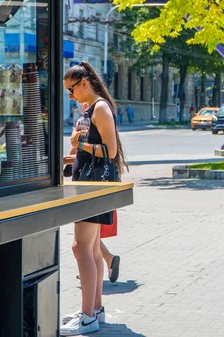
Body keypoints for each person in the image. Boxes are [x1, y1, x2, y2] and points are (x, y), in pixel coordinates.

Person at [60, 61, 128, 336]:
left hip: (94, 187)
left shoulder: (100, 108)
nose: (70, 96)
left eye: (71, 90)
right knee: (90, 248)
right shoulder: (91, 109)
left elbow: (110, 152)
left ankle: (87, 317)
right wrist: (67, 157)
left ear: (84, 84)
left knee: (81, 248)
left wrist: (80, 145)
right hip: (91, 185)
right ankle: (95, 309)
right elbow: (88, 155)